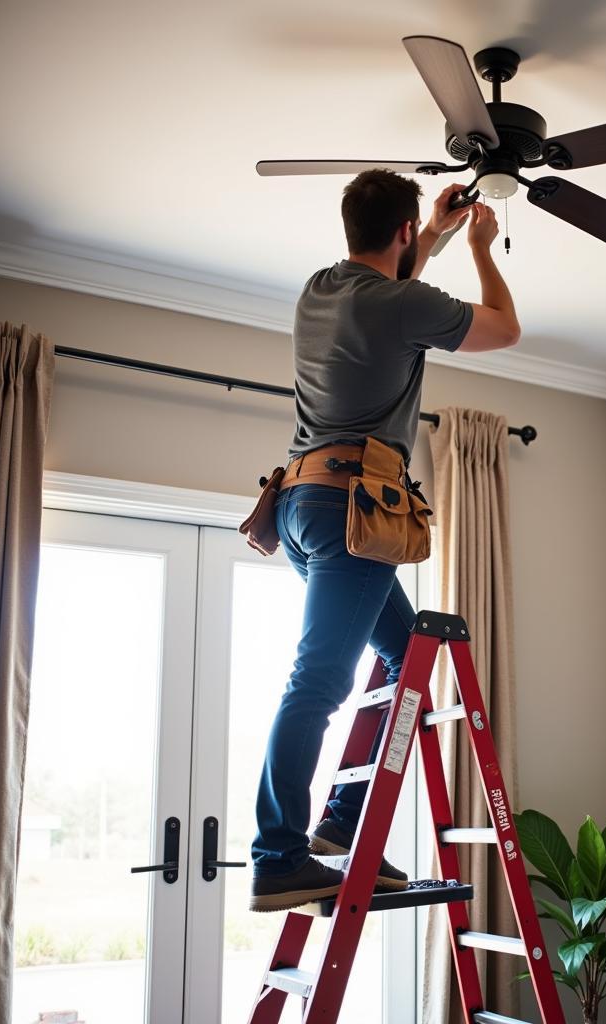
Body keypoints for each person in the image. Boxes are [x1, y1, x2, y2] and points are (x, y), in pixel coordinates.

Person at [249, 169, 521, 912]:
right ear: (400, 235)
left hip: (303, 505)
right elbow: (505, 326)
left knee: (405, 656)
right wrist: (480, 246)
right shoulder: (405, 304)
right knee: (317, 683)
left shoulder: (319, 290)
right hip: (353, 512)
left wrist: (429, 231)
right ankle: (278, 856)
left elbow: (397, 283)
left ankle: (338, 828)